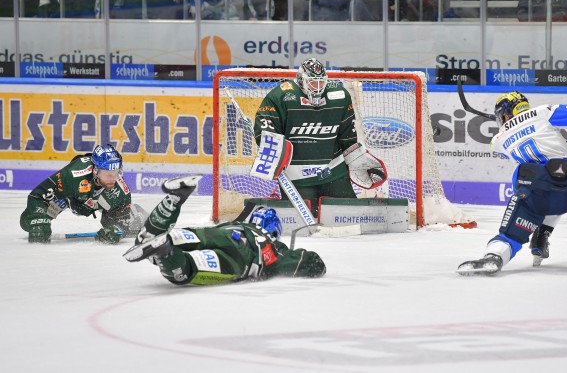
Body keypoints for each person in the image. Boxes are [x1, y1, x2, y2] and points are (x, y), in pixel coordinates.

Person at [457, 92, 567, 276]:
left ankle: (494, 256)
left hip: (535, 193)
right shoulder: (544, 112)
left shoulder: (498, 141)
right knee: (563, 174)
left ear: (504, 114)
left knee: (510, 232)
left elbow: (513, 142)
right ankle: (543, 232)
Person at [123, 175, 326, 286]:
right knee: (185, 272)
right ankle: (167, 251)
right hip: (241, 256)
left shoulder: (234, 224)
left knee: (144, 241)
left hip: (215, 233)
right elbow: (315, 264)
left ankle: (173, 200)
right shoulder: (274, 246)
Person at [252, 57, 387, 217]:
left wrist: (356, 157)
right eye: (312, 82)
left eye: (320, 82)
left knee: (349, 216)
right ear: (301, 80)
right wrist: (273, 150)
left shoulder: (339, 96)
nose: (317, 87)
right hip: (297, 177)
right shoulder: (280, 96)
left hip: (333, 172)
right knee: (304, 220)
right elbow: (265, 128)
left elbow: (347, 136)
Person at [20, 144, 147, 244]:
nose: (114, 178)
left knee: (133, 225)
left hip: (98, 202)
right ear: (96, 171)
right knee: (27, 222)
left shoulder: (120, 191)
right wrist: (37, 219)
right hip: (68, 198)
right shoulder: (72, 176)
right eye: (108, 174)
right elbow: (38, 196)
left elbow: (120, 225)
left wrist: (115, 230)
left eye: (117, 172)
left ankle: (136, 212)